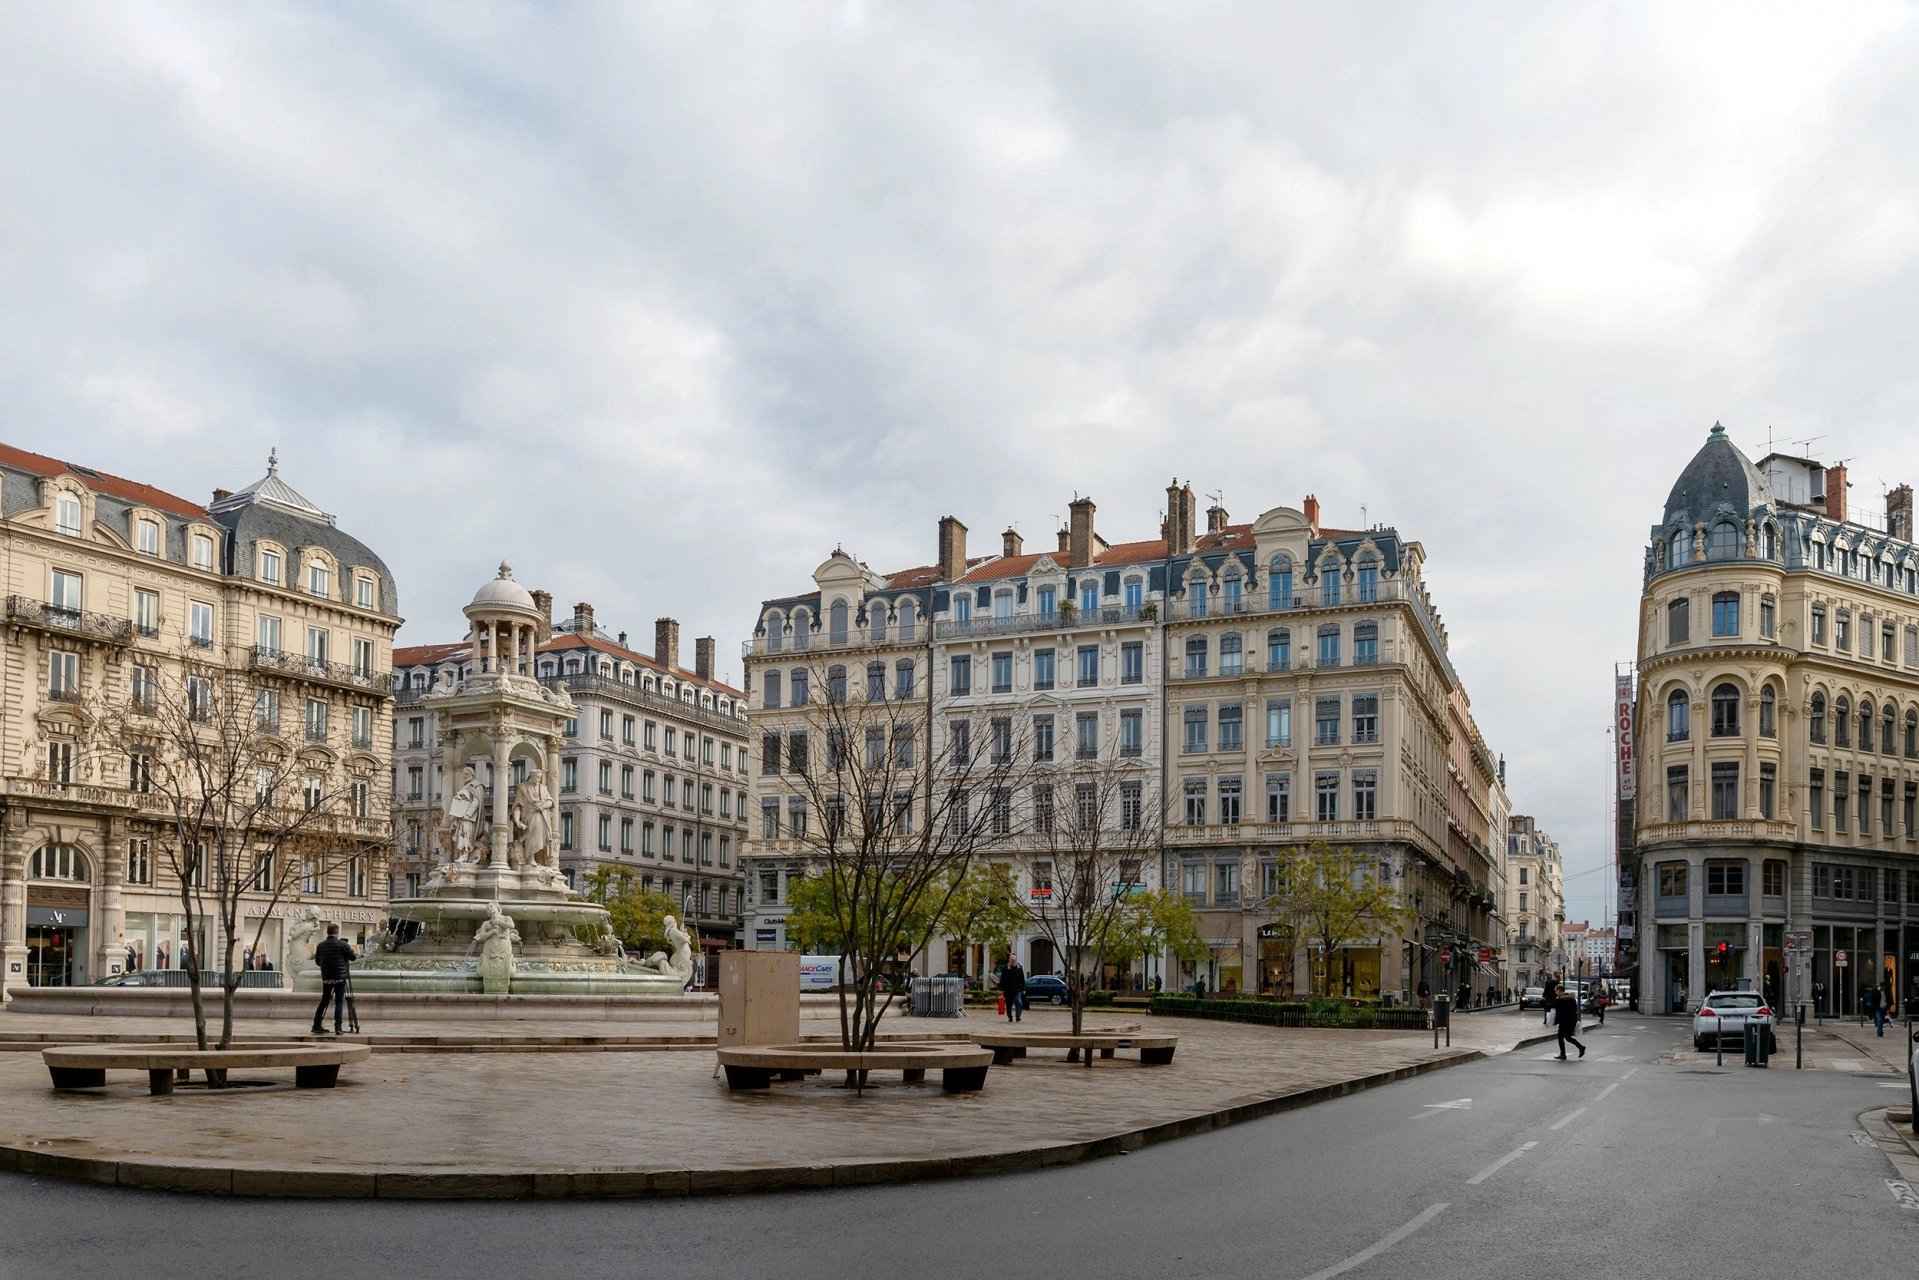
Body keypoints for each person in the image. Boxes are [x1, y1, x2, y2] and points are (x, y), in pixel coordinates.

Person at [310, 924, 357, 1035]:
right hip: (340, 978)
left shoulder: (320, 945)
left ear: (327, 932)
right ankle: (338, 1027)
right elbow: (353, 957)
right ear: (337, 932)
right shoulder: (343, 944)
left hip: (326, 978)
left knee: (324, 1001)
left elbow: (317, 962)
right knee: (339, 1002)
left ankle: (316, 1025)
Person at [1553, 986, 1585, 1060]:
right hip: (1571, 1020)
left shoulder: (1560, 999)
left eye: (1556, 991)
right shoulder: (1571, 998)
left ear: (1560, 991)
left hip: (1565, 1021)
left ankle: (1563, 1054)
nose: (1555, 992)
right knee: (1567, 1037)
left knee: (1561, 1037)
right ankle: (1581, 1047)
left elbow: (1557, 1007)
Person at [998, 959, 1026, 1023]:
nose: (1013, 961)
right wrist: (1001, 989)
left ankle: (1018, 1017)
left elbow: (1022, 979)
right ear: (1009, 961)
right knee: (1009, 1005)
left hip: (1017, 990)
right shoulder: (1005, 968)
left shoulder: (1019, 968)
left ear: (1016, 961)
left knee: (1019, 1003)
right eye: (1011, 960)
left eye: (1014, 960)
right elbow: (1002, 979)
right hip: (1008, 990)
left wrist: (1023, 988)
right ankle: (1010, 1017)